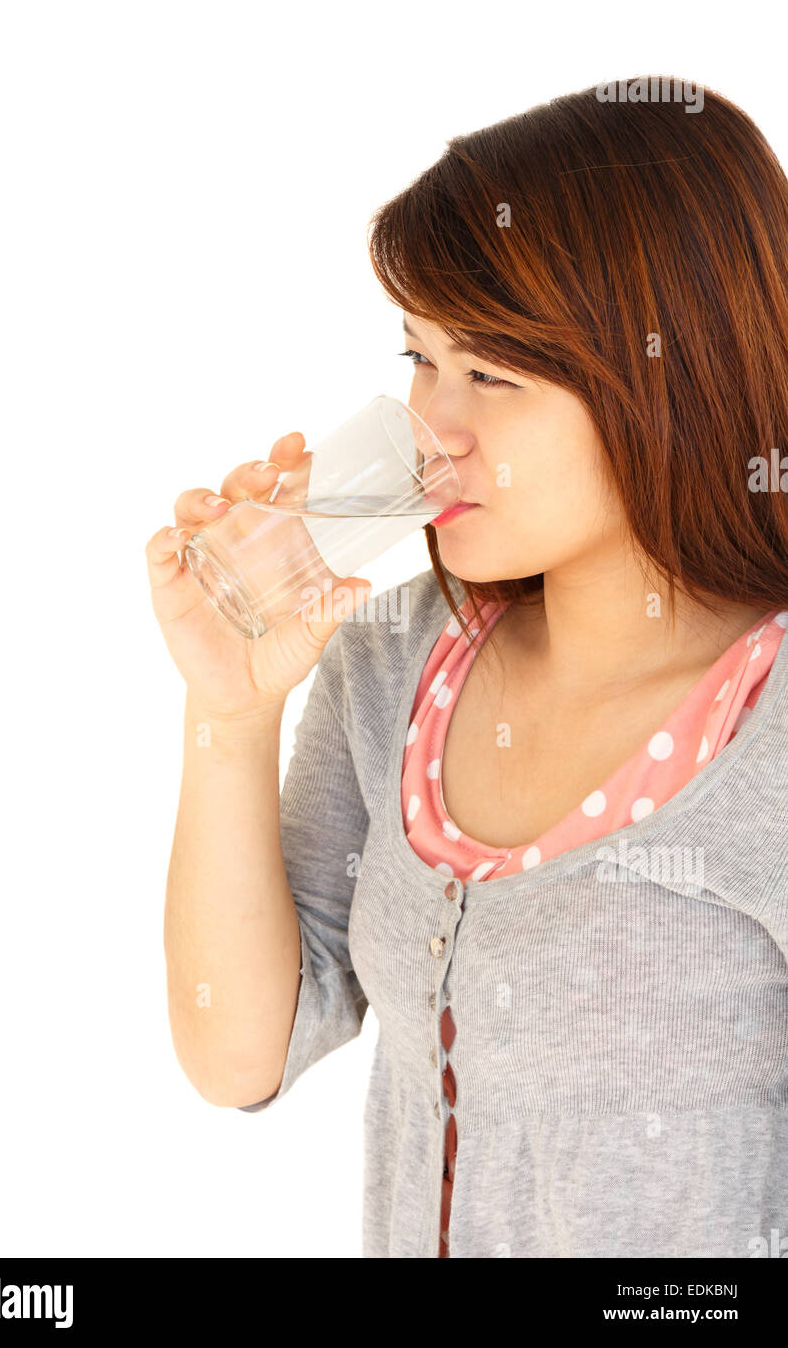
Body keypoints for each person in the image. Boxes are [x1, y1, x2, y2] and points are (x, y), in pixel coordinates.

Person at [147, 76, 788, 1258]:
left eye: (491, 373)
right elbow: (237, 1054)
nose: (432, 426)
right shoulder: (395, 661)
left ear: (671, 373)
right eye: (419, 357)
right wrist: (227, 711)